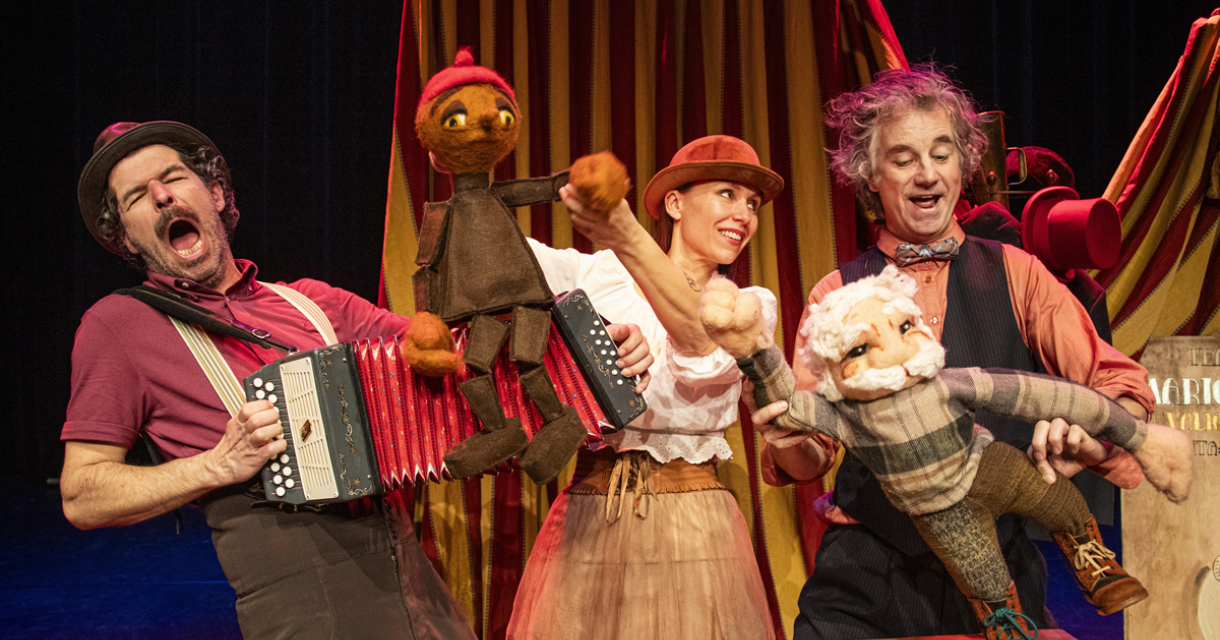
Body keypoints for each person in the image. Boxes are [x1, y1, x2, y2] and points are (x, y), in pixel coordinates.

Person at [59, 121, 652, 640]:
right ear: (126, 236)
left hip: (412, 577)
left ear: (214, 193)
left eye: (173, 178)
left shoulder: (314, 303)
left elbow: (463, 359)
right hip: (299, 596)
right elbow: (83, 495)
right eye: (137, 196)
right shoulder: (119, 325)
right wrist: (216, 465)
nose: (162, 197)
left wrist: (593, 357)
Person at [752, 65, 1157, 639]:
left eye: (941, 154)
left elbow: (1124, 387)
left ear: (963, 166)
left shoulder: (1017, 273)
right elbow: (810, 456)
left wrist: (1086, 436)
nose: (926, 174)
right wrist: (785, 432)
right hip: (870, 573)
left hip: (998, 574)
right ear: (870, 175)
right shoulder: (837, 295)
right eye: (903, 158)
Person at [505, 135, 784, 640]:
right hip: (592, 514)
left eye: (752, 203)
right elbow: (488, 258)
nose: (743, 213)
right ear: (675, 203)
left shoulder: (750, 304)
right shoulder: (597, 274)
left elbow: (702, 345)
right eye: (726, 193)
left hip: (694, 525)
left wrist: (625, 234)